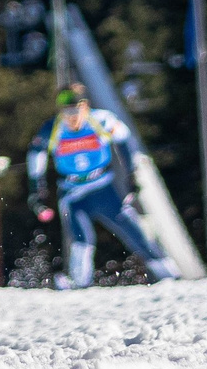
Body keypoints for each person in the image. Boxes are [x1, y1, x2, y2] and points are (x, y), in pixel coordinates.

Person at [27, 83, 175, 288]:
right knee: (82, 238)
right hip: (73, 193)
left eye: (75, 111)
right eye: (66, 112)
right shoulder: (52, 128)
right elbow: (36, 156)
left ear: (85, 106)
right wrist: (37, 190)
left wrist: (132, 175)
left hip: (103, 188)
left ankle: (169, 274)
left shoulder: (101, 120)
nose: (71, 118)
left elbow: (124, 140)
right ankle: (80, 283)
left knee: (133, 231)